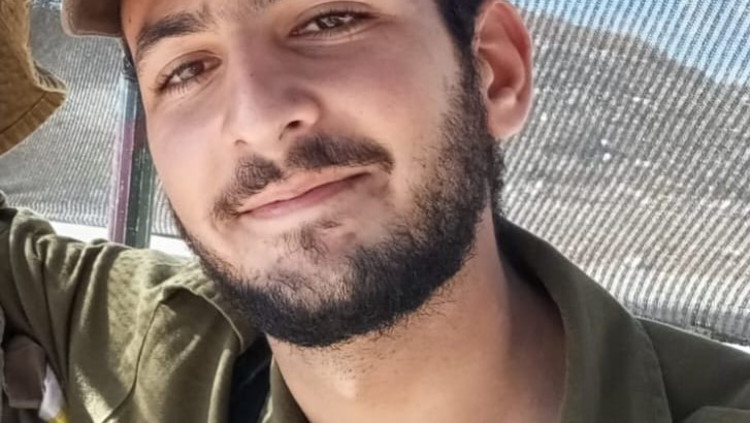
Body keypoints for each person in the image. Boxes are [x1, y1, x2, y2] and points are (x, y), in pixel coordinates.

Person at [1, 0, 749, 422]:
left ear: (493, 71)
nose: (257, 118)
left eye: (328, 20)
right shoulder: (157, 341)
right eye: (188, 68)